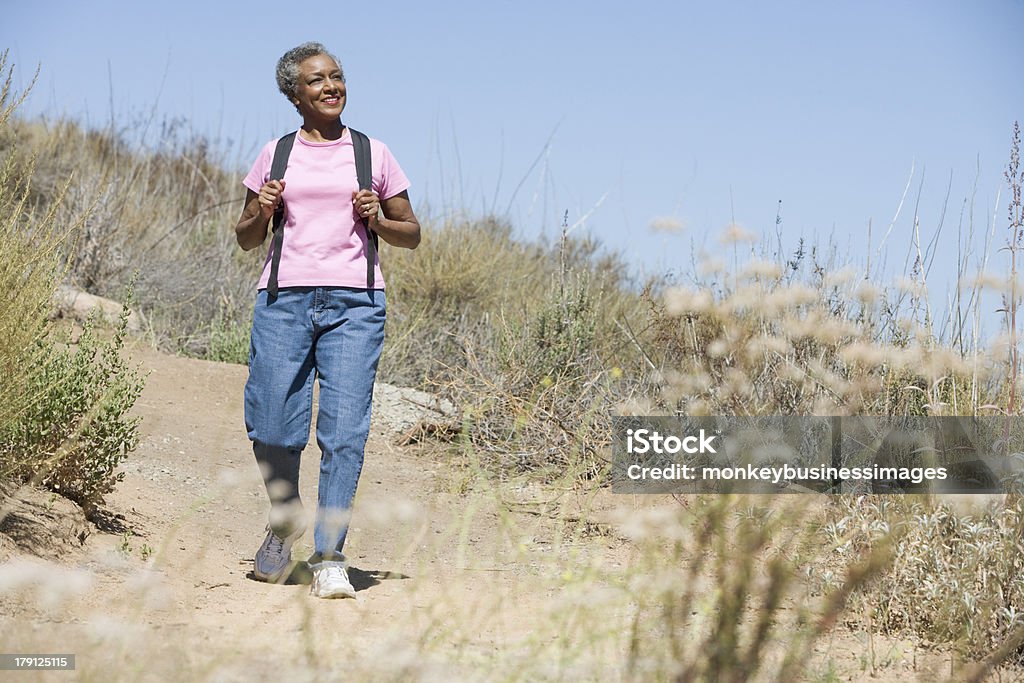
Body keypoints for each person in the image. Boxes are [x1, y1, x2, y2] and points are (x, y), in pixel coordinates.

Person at [234, 41, 420, 599]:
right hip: (283, 300)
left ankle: (329, 553)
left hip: (354, 306)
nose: (331, 86)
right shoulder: (275, 154)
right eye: (316, 81)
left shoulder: (373, 153)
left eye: (336, 76)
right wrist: (261, 210)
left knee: (343, 432)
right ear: (295, 94)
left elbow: (411, 232)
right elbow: (245, 238)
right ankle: (283, 518)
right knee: (271, 423)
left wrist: (378, 220)